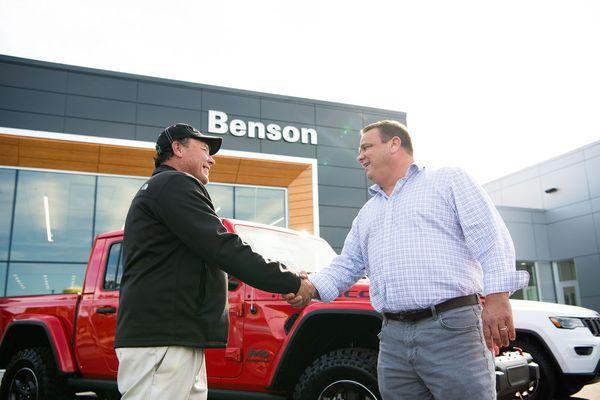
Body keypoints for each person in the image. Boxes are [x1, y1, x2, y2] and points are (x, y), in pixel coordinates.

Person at [286, 120, 529, 399]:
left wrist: (498, 297)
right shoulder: (367, 214)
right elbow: (347, 264)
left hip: (452, 330)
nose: (359, 156)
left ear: (394, 144)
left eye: (366, 147)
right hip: (393, 339)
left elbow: (490, 236)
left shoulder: (448, 180)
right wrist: (309, 287)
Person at [115, 123, 312, 400]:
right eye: (205, 149)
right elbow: (222, 247)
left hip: (174, 338)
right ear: (177, 149)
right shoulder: (174, 184)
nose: (212, 158)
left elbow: (209, 255)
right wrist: (290, 280)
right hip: (164, 339)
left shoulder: (163, 189)